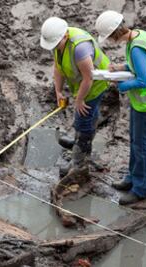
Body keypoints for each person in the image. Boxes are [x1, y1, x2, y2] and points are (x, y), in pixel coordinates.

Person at [95, 10, 146, 205]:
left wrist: (122, 86)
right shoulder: (139, 35)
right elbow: (138, 66)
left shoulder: (136, 47)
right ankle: (131, 178)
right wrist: (120, 68)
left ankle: (141, 190)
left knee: (141, 145)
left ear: (113, 34)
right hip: (144, 101)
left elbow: (143, 80)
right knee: (135, 141)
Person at [40, 17, 110, 179]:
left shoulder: (80, 48)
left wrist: (79, 100)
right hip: (82, 83)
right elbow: (58, 67)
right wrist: (58, 91)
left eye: (56, 45)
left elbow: (89, 78)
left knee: (83, 119)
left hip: (94, 84)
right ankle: (78, 141)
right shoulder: (58, 42)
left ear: (65, 36)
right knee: (86, 117)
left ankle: (79, 164)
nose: (54, 48)